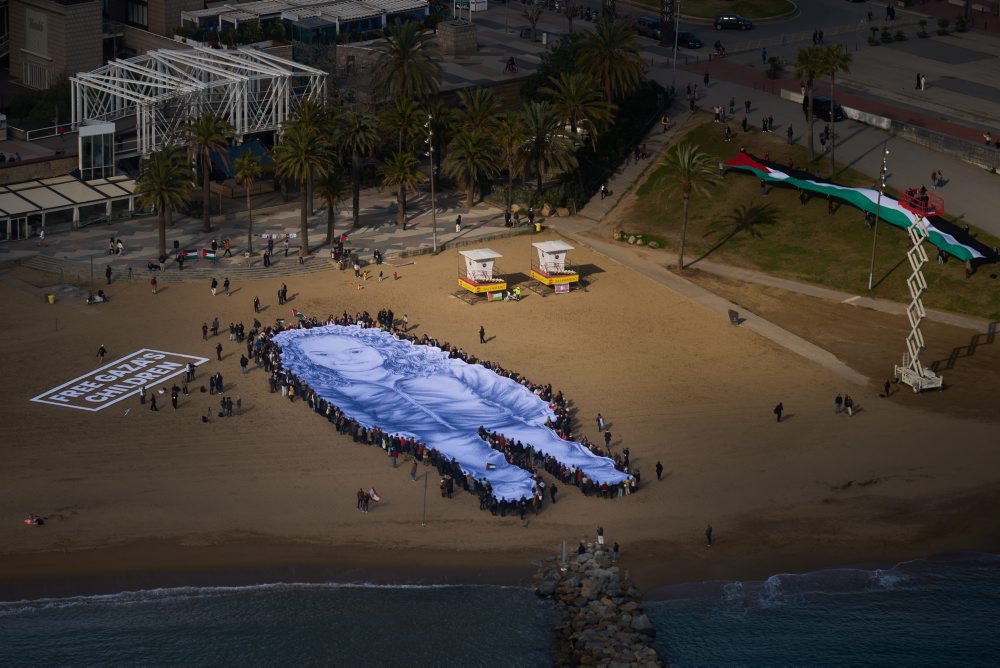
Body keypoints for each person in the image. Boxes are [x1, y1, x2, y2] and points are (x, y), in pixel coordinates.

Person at [274, 326, 631, 502]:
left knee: (552, 446)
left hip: (496, 422)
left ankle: (604, 476)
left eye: (351, 352)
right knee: (494, 463)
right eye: (333, 360)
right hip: (458, 444)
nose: (348, 360)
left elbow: (490, 387)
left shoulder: (425, 370)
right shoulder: (358, 396)